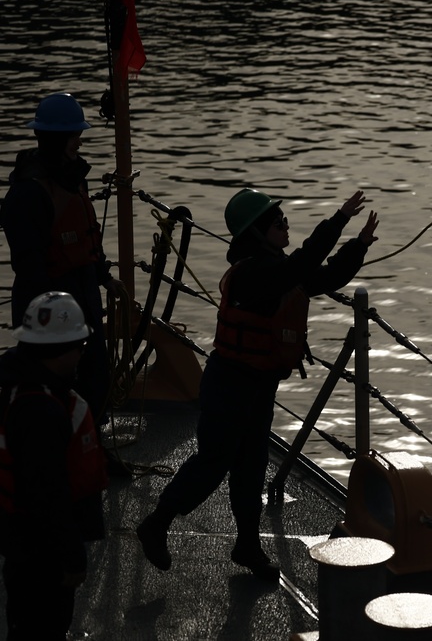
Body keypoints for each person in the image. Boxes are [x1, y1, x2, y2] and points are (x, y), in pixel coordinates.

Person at [136, 187, 379, 581]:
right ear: (256, 232)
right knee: (213, 463)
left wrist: (359, 244)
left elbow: (324, 276)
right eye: (277, 222)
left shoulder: (276, 270)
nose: (285, 226)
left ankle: (247, 545)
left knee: (251, 466)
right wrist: (338, 220)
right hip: (230, 384)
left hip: (258, 385)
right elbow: (303, 264)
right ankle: (156, 523)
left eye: (284, 220)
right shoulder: (255, 275)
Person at [0, 93, 126, 435]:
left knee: (95, 377)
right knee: (56, 384)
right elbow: (29, 264)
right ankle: (57, 447)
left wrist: (104, 276)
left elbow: (87, 239)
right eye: (74, 137)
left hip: (84, 295)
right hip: (49, 305)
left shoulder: (73, 178)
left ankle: (92, 443)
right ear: (55, 139)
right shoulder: (28, 193)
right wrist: (51, 314)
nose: (79, 143)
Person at [0, 291, 109, 641]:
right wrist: (71, 556)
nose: (82, 353)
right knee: (41, 625)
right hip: (39, 551)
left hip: (28, 543)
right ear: (61, 350)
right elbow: (46, 494)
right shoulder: (40, 412)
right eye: (80, 346)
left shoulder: (29, 390)